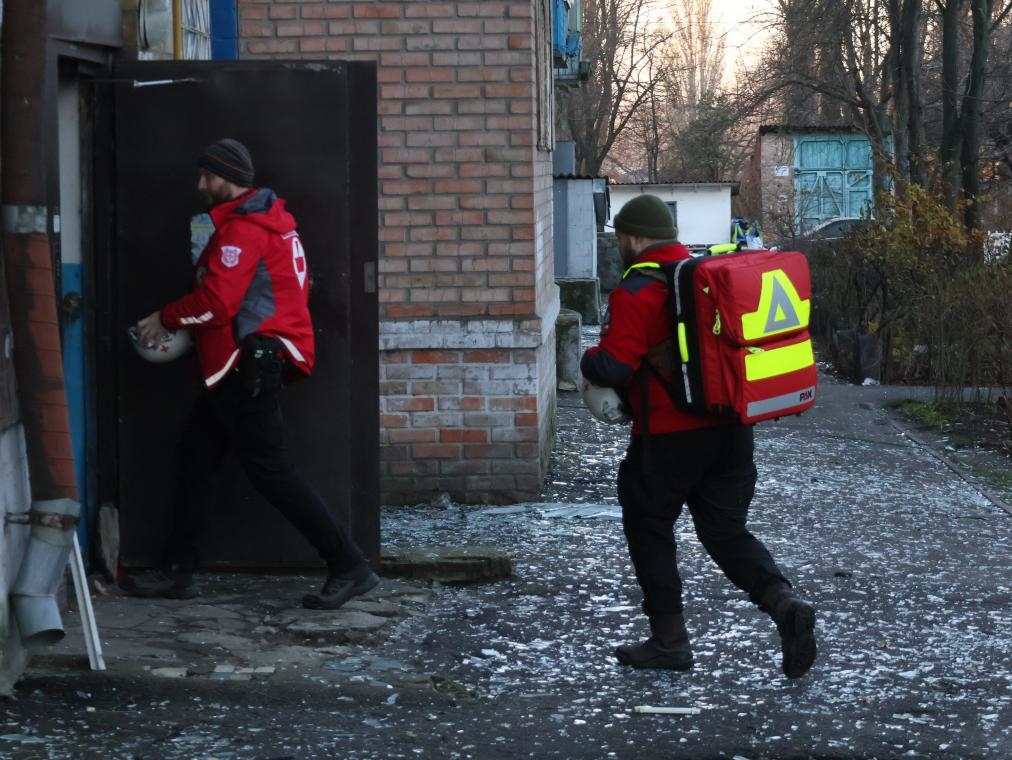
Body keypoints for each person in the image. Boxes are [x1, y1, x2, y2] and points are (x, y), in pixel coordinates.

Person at [122, 138, 378, 611]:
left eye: (206, 176)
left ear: (228, 176)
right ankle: (179, 570)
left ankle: (349, 564)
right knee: (196, 460)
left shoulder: (246, 229)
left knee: (273, 473)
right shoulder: (268, 222)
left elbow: (218, 304)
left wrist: (166, 317)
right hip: (245, 366)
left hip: (248, 367)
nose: (200, 185)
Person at [582, 195, 817, 679]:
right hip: (732, 431)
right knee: (725, 532)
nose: (622, 244)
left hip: (668, 439)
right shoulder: (705, 279)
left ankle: (670, 641)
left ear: (635, 239)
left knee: (649, 529)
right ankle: (783, 602)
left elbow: (613, 365)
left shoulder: (636, 292)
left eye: (623, 237)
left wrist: (585, 360)